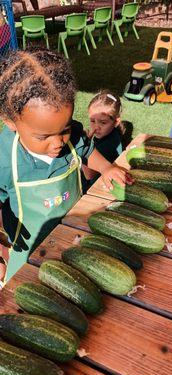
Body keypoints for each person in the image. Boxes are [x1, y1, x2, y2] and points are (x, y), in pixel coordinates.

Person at [0, 49, 133, 286]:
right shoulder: (3, 158)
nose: (59, 142)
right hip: (29, 252)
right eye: (44, 137)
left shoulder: (74, 135)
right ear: (11, 123)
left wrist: (106, 168)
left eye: (64, 129)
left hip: (75, 236)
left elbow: (87, 151)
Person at [81, 90, 133, 190]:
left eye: (103, 122)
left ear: (116, 121)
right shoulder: (113, 134)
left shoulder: (110, 143)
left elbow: (89, 174)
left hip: (97, 187)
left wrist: (84, 145)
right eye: (92, 121)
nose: (96, 126)